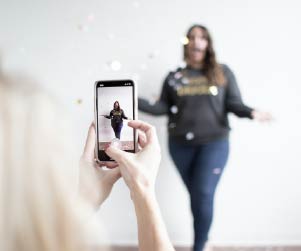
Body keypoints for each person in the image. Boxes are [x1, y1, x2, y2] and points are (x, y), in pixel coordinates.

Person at [0, 70, 175, 251]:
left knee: (116, 134)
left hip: (119, 125)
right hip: (116, 126)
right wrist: (142, 189)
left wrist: (87, 199)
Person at [138, 24, 272, 251]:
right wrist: (131, 98)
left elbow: (233, 103)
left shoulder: (222, 73)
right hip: (180, 145)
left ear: (208, 44)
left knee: (202, 193)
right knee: (198, 198)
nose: (196, 41)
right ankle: (203, 241)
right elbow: (161, 107)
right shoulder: (174, 77)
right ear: (186, 44)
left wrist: (251, 112)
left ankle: (199, 246)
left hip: (214, 143)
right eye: (191, 37)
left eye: (201, 37)